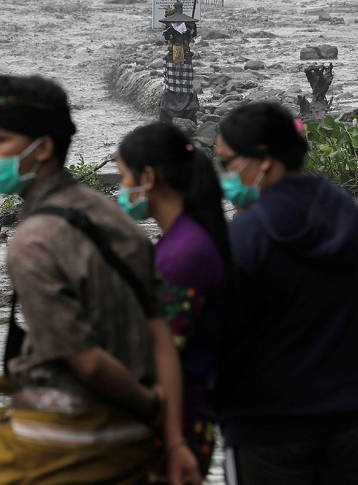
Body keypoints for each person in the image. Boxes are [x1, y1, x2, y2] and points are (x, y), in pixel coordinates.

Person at [0, 73, 200, 485]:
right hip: (134, 442)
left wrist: (150, 405)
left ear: (41, 150)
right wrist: (173, 436)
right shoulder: (107, 212)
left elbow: (88, 362)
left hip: (62, 448)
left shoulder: (32, 243)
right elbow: (159, 331)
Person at [215, 102, 358, 484]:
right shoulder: (351, 218)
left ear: (263, 160)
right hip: (355, 420)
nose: (225, 177)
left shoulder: (246, 236)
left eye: (228, 163)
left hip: (268, 429)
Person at [117, 123, 230, 481]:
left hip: (177, 420)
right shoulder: (182, 241)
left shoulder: (184, 254)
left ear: (147, 177)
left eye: (123, 178)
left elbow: (162, 347)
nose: (121, 190)